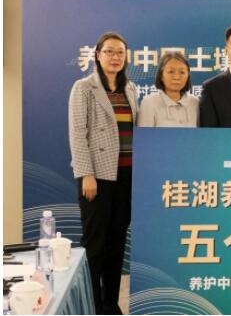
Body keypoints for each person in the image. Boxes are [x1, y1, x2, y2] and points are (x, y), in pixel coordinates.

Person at [68, 31, 138, 314]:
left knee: (117, 242)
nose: (115, 57)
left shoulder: (130, 89)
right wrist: (86, 173)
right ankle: (94, 305)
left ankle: (111, 303)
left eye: (120, 52)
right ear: (98, 55)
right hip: (97, 177)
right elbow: (78, 133)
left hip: (126, 176)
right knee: (94, 245)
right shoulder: (84, 87)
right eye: (109, 51)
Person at [137, 51, 199, 127]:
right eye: (171, 72)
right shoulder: (149, 103)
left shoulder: (195, 103)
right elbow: (144, 134)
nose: (176, 77)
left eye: (182, 72)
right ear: (161, 75)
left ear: (188, 76)